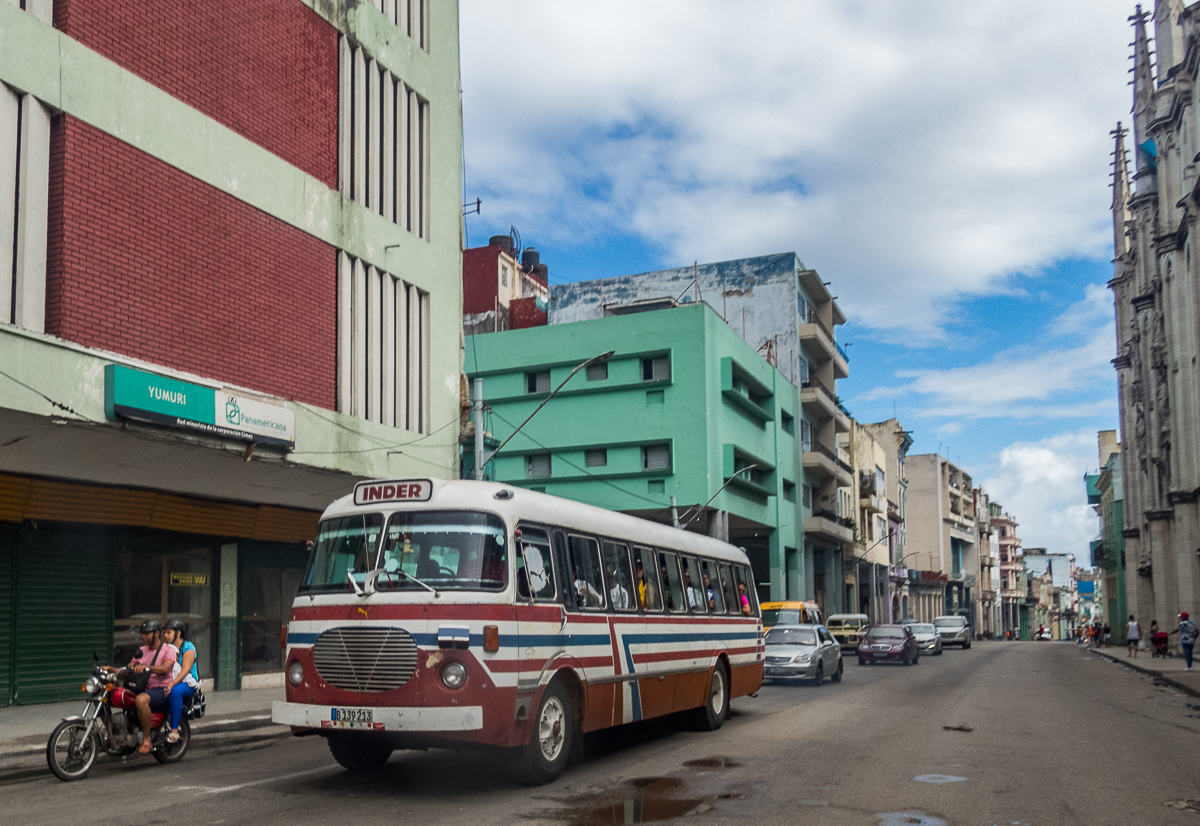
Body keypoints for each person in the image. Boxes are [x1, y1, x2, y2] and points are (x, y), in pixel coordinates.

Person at [103, 620, 177, 754]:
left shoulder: (168, 650)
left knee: (141, 700)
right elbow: (128, 669)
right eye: (142, 634)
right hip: (141, 687)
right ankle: (112, 737)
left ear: (156, 633)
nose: (143, 636)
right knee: (109, 695)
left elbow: (166, 668)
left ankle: (147, 739)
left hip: (160, 689)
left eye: (147, 634)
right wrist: (110, 669)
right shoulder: (141, 651)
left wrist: (147, 667)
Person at [161, 619, 199, 744]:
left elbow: (186, 669)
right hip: (170, 680)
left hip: (187, 683)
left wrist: (172, 684)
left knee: (175, 692)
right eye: (165, 633)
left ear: (178, 633)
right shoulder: (166, 648)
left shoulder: (188, 646)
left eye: (168, 632)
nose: (165, 636)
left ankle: (174, 730)